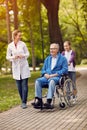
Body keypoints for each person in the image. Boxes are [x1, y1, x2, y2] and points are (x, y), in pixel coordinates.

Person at [32, 43, 68, 109]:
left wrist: (55, 74)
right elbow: (43, 70)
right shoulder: (47, 59)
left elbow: (65, 69)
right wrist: (45, 74)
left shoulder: (63, 59)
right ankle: (39, 100)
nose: (51, 50)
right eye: (50, 49)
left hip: (56, 77)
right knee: (37, 81)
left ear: (57, 50)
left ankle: (48, 101)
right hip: (47, 77)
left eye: (53, 49)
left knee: (52, 81)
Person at [6, 29, 31, 109]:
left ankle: (24, 102)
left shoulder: (23, 44)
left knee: (24, 85)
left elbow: (28, 54)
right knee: (19, 86)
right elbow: (7, 56)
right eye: (19, 35)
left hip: (24, 67)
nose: (20, 37)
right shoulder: (10, 46)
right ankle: (22, 100)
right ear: (15, 36)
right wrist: (14, 57)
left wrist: (23, 55)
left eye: (21, 35)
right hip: (16, 68)